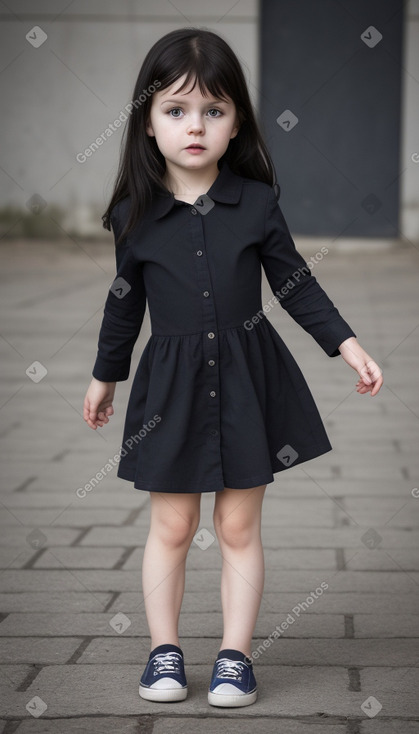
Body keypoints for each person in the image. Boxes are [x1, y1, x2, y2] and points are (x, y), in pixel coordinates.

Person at [83, 27, 383, 708]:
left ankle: (234, 658)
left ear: (236, 121)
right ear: (148, 121)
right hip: (170, 395)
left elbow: (295, 284)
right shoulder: (135, 215)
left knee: (239, 528)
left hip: (249, 384)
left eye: (213, 111)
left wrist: (346, 343)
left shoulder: (255, 203)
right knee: (173, 527)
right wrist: (105, 377)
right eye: (176, 110)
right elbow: (124, 307)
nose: (195, 126)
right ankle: (163, 652)